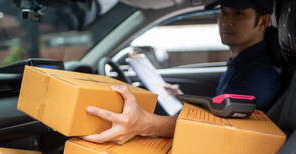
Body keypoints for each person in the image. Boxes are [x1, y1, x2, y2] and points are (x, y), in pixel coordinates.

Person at [81, 0, 279, 145]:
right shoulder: (242, 63)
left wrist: (147, 124)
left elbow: (219, 127)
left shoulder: (255, 75)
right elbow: (222, 110)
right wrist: (185, 100)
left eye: (238, 14)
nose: (227, 21)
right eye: (224, 12)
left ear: (263, 22)